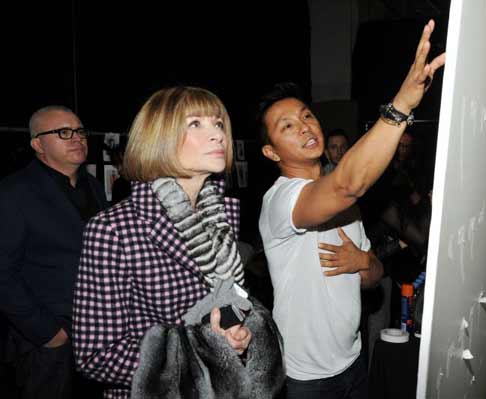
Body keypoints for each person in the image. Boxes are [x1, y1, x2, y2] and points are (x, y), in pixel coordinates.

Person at [257, 20, 445, 399]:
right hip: (305, 378)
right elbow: (347, 183)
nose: (305, 126)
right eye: (287, 125)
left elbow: (373, 275)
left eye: (307, 115)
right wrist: (402, 106)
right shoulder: (280, 200)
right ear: (271, 152)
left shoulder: (346, 208)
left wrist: (362, 262)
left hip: (353, 361)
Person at [72, 86, 284, 399]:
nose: (217, 135)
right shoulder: (114, 229)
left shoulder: (221, 216)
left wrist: (234, 332)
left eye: (218, 123)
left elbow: (228, 297)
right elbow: (96, 354)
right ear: (158, 138)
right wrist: (204, 356)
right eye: (195, 124)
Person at [0, 105, 108, 398]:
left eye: (80, 131)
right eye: (63, 132)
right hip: (49, 342)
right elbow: (3, 274)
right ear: (37, 144)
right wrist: (48, 333)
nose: (77, 138)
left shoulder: (95, 188)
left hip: (100, 335)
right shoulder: (14, 192)